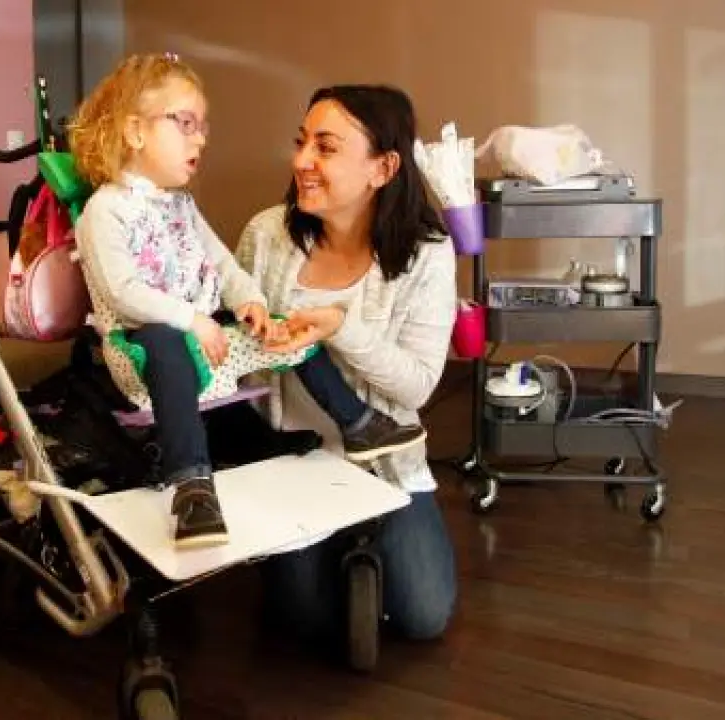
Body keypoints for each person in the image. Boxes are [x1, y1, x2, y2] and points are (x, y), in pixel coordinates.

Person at [68, 55, 425, 548]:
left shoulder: (180, 205)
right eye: (185, 124)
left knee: (288, 329)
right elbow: (123, 292)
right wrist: (191, 320)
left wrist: (249, 303)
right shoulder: (105, 210)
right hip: (141, 354)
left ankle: (359, 424)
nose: (201, 139)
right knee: (163, 341)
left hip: (202, 339)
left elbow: (221, 263)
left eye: (203, 127)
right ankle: (192, 486)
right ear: (134, 132)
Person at [235, 84, 459, 648]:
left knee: (424, 616)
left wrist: (342, 328)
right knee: (302, 621)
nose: (301, 161)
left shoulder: (427, 254)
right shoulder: (267, 235)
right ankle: (331, 544)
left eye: (326, 147)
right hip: (290, 462)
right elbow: (237, 345)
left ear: (383, 168)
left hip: (385, 463)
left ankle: (362, 536)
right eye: (302, 142)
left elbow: (418, 385)